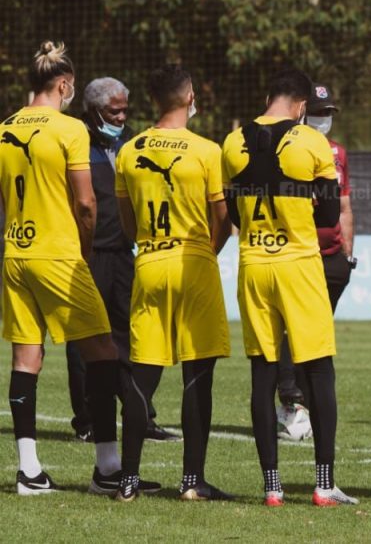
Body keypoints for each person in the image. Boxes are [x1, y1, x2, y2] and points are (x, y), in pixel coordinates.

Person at [0, 41, 155, 495]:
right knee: (104, 352)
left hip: (15, 252)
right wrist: (84, 249)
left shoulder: (4, 127)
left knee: (26, 357)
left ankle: (29, 471)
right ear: (64, 85)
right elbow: (86, 202)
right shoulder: (69, 130)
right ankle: (107, 467)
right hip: (59, 254)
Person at [222, 68, 357, 507]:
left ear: (268, 96)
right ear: (301, 105)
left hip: (254, 264)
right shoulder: (314, 143)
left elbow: (236, 213)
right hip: (299, 265)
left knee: (263, 373)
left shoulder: (232, 142)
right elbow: (329, 217)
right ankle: (323, 484)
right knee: (318, 370)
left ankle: (272, 486)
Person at [113, 65, 233, 502]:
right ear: (189, 97)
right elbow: (223, 219)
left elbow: (127, 224)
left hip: (149, 261)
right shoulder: (207, 150)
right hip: (194, 262)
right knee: (197, 374)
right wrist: (205, 252)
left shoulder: (130, 150)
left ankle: (127, 479)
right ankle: (191, 482)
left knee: (143, 373)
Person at [66, 77, 174, 444]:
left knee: (132, 334)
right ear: (94, 111)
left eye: (125, 109)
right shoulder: (74, 140)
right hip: (86, 254)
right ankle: (88, 420)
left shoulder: (130, 142)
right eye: (116, 111)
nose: (122, 116)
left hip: (125, 253)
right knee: (86, 338)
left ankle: (140, 414)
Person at [276, 84, 356, 410]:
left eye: (328, 113)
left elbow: (346, 206)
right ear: (304, 110)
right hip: (297, 251)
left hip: (332, 255)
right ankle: (290, 394)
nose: (324, 119)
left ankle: (306, 400)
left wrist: (347, 251)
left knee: (318, 331)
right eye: (319, 112)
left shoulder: (338, 153)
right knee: (291, 328)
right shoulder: (286, 146)